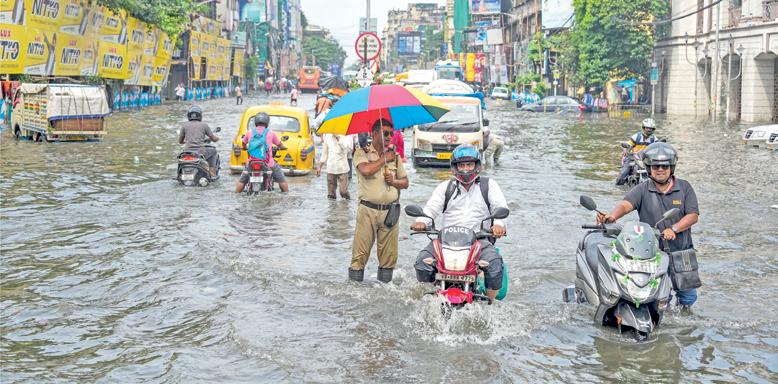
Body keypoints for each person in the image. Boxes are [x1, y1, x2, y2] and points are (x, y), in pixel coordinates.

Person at [597, 142, 700, 309]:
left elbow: (693, 215)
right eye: (655, 166)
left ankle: (683, 321)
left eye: (664, 166)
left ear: (671, 167)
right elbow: (625, 204)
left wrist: (673, 229)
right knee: (656, 297)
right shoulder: (642, 189)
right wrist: (612, 216)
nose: (660, 169)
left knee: (688, 297)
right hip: (651, 254)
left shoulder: (685, 187)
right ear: (649, 168)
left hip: (681, 250)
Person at [412, 144, 509, 302]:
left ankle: (491, 305)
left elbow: (500, 207)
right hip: (446, 241)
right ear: (455, 167)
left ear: (476, 165)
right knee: (422, 263)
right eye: (461, 165)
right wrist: (421, 221)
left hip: (479, 241)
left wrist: (498, 224)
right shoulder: (445, 187)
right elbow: (431, 209)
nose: (465, 169)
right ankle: (430, 297)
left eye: (469, 164)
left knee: (495, 266)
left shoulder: (489, 185)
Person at [349, 119, 409, 283]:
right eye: (386, 133)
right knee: (360, 254)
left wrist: (394, 181)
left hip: (390, 211)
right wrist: (384, 159)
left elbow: (405, 183)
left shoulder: (395, 157)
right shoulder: (362, 153)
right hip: (368, 210)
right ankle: (354, 290)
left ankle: (385, 288)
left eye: (391, 133)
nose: (390, 137)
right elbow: (365, 170)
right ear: (374, 134)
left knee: (389, 256)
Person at [235, 112, 290, 193]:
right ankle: (286, 195)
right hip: (268, 163)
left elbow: (243, 143)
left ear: (256, 122)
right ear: (267, 122)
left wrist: (244, 147)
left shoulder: (250, 132)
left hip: (252, 163)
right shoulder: (270, 133)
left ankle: (236, 194)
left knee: (242, 180)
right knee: (282, 180)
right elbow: (279, 144)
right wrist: (283, 147)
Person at [616, 118, 660, 185]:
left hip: (647, 159)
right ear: (643, 128)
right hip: (633, 158)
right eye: (647, 128)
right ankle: (618, 186)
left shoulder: (654, 138)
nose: (649, 130)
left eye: (651, 128)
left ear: (653, 129)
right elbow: (629, 144)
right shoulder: (637, 136)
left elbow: (658, 147)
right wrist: (626, 149)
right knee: (623, 174)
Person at [178, 105, 220, 177]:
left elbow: (180, 141)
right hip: (200, 152)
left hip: (187, 152)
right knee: (214, 151)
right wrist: (218, 138)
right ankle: (212, 172)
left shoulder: (184, 125)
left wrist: (186, 141)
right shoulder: (204, 125)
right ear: (200, 115)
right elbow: (213, 139)